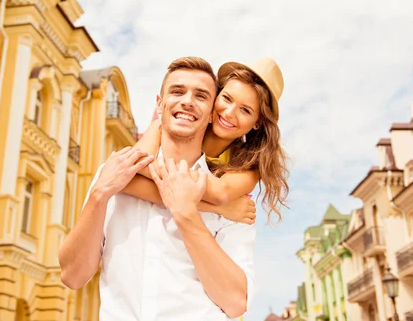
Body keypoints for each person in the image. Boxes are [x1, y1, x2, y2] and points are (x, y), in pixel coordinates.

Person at [59, 57, 259, 320]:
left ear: (212, 114)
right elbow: (73, 276)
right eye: (177, 91)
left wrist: (186, 213)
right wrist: (98, 195)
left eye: (200, 96)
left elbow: (235, 302)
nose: (187, 100)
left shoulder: (234, 204)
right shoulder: (113, 177)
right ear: (159, 102)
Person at [122, 57, 289, 223]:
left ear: (258, 123)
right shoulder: (169, 127)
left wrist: (151, 168)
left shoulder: (247, 165)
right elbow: (129, 175)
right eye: (227, 99)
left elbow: (221, 193)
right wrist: (218, 208)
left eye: (245, 110)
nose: (229, 113)